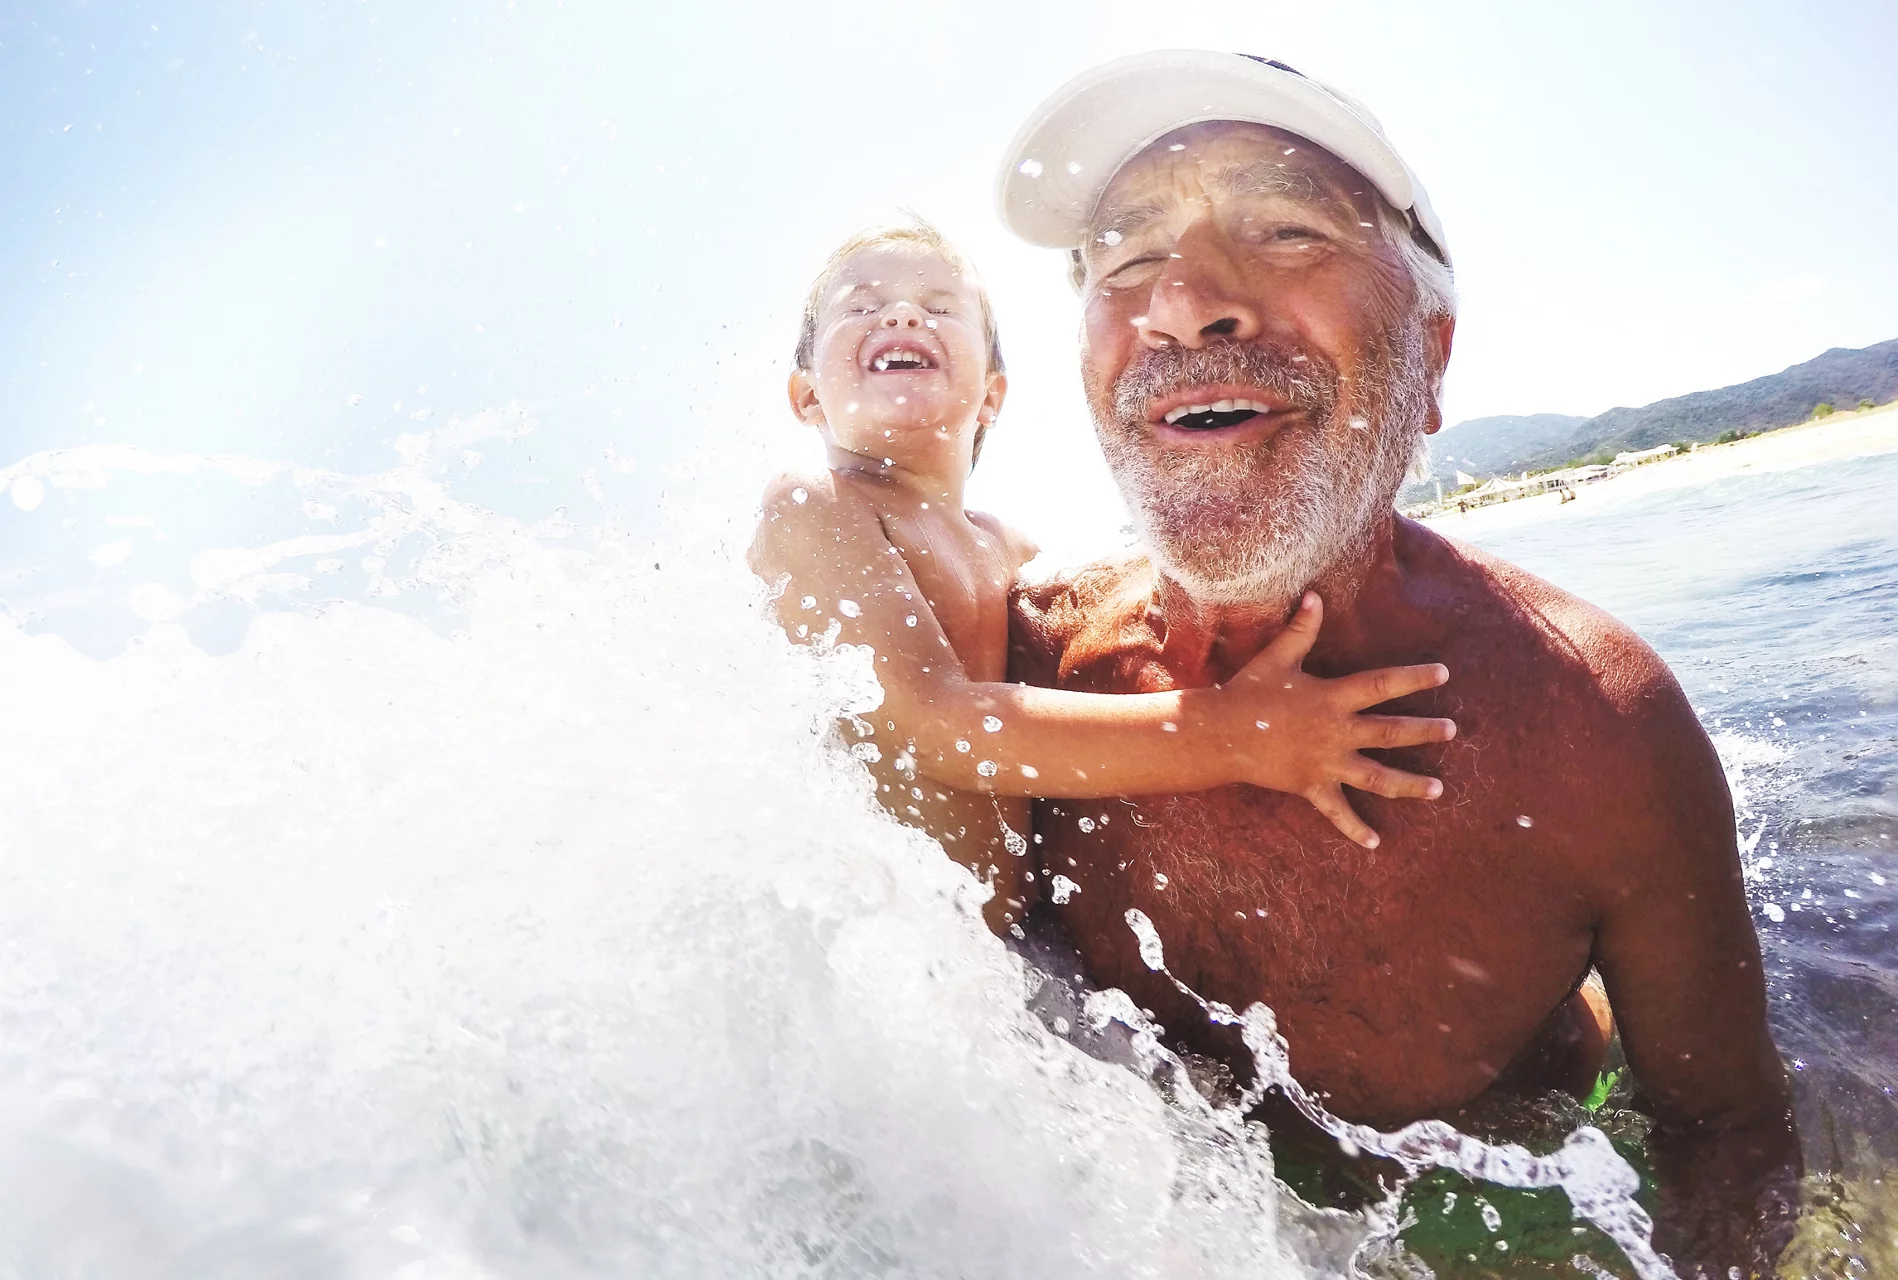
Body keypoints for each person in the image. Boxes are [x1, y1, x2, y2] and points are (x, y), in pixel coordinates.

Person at [995, 51, 1798, 1276]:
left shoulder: (1593, 728)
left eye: (1284, 230)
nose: (1185, 302)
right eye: (1124, 258)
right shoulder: (1019, 677)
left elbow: (1725, 1131)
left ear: (1429, 353)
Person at [749, 221, 1459, 937]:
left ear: (992, 395)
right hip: (891, 952)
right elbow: (936, 728)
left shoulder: (1008, 546)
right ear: (806, 397)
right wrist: (1237, 733)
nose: (903, 315)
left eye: (938, 307)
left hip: (1016, 952)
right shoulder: (815, 504)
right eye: (861, 306)